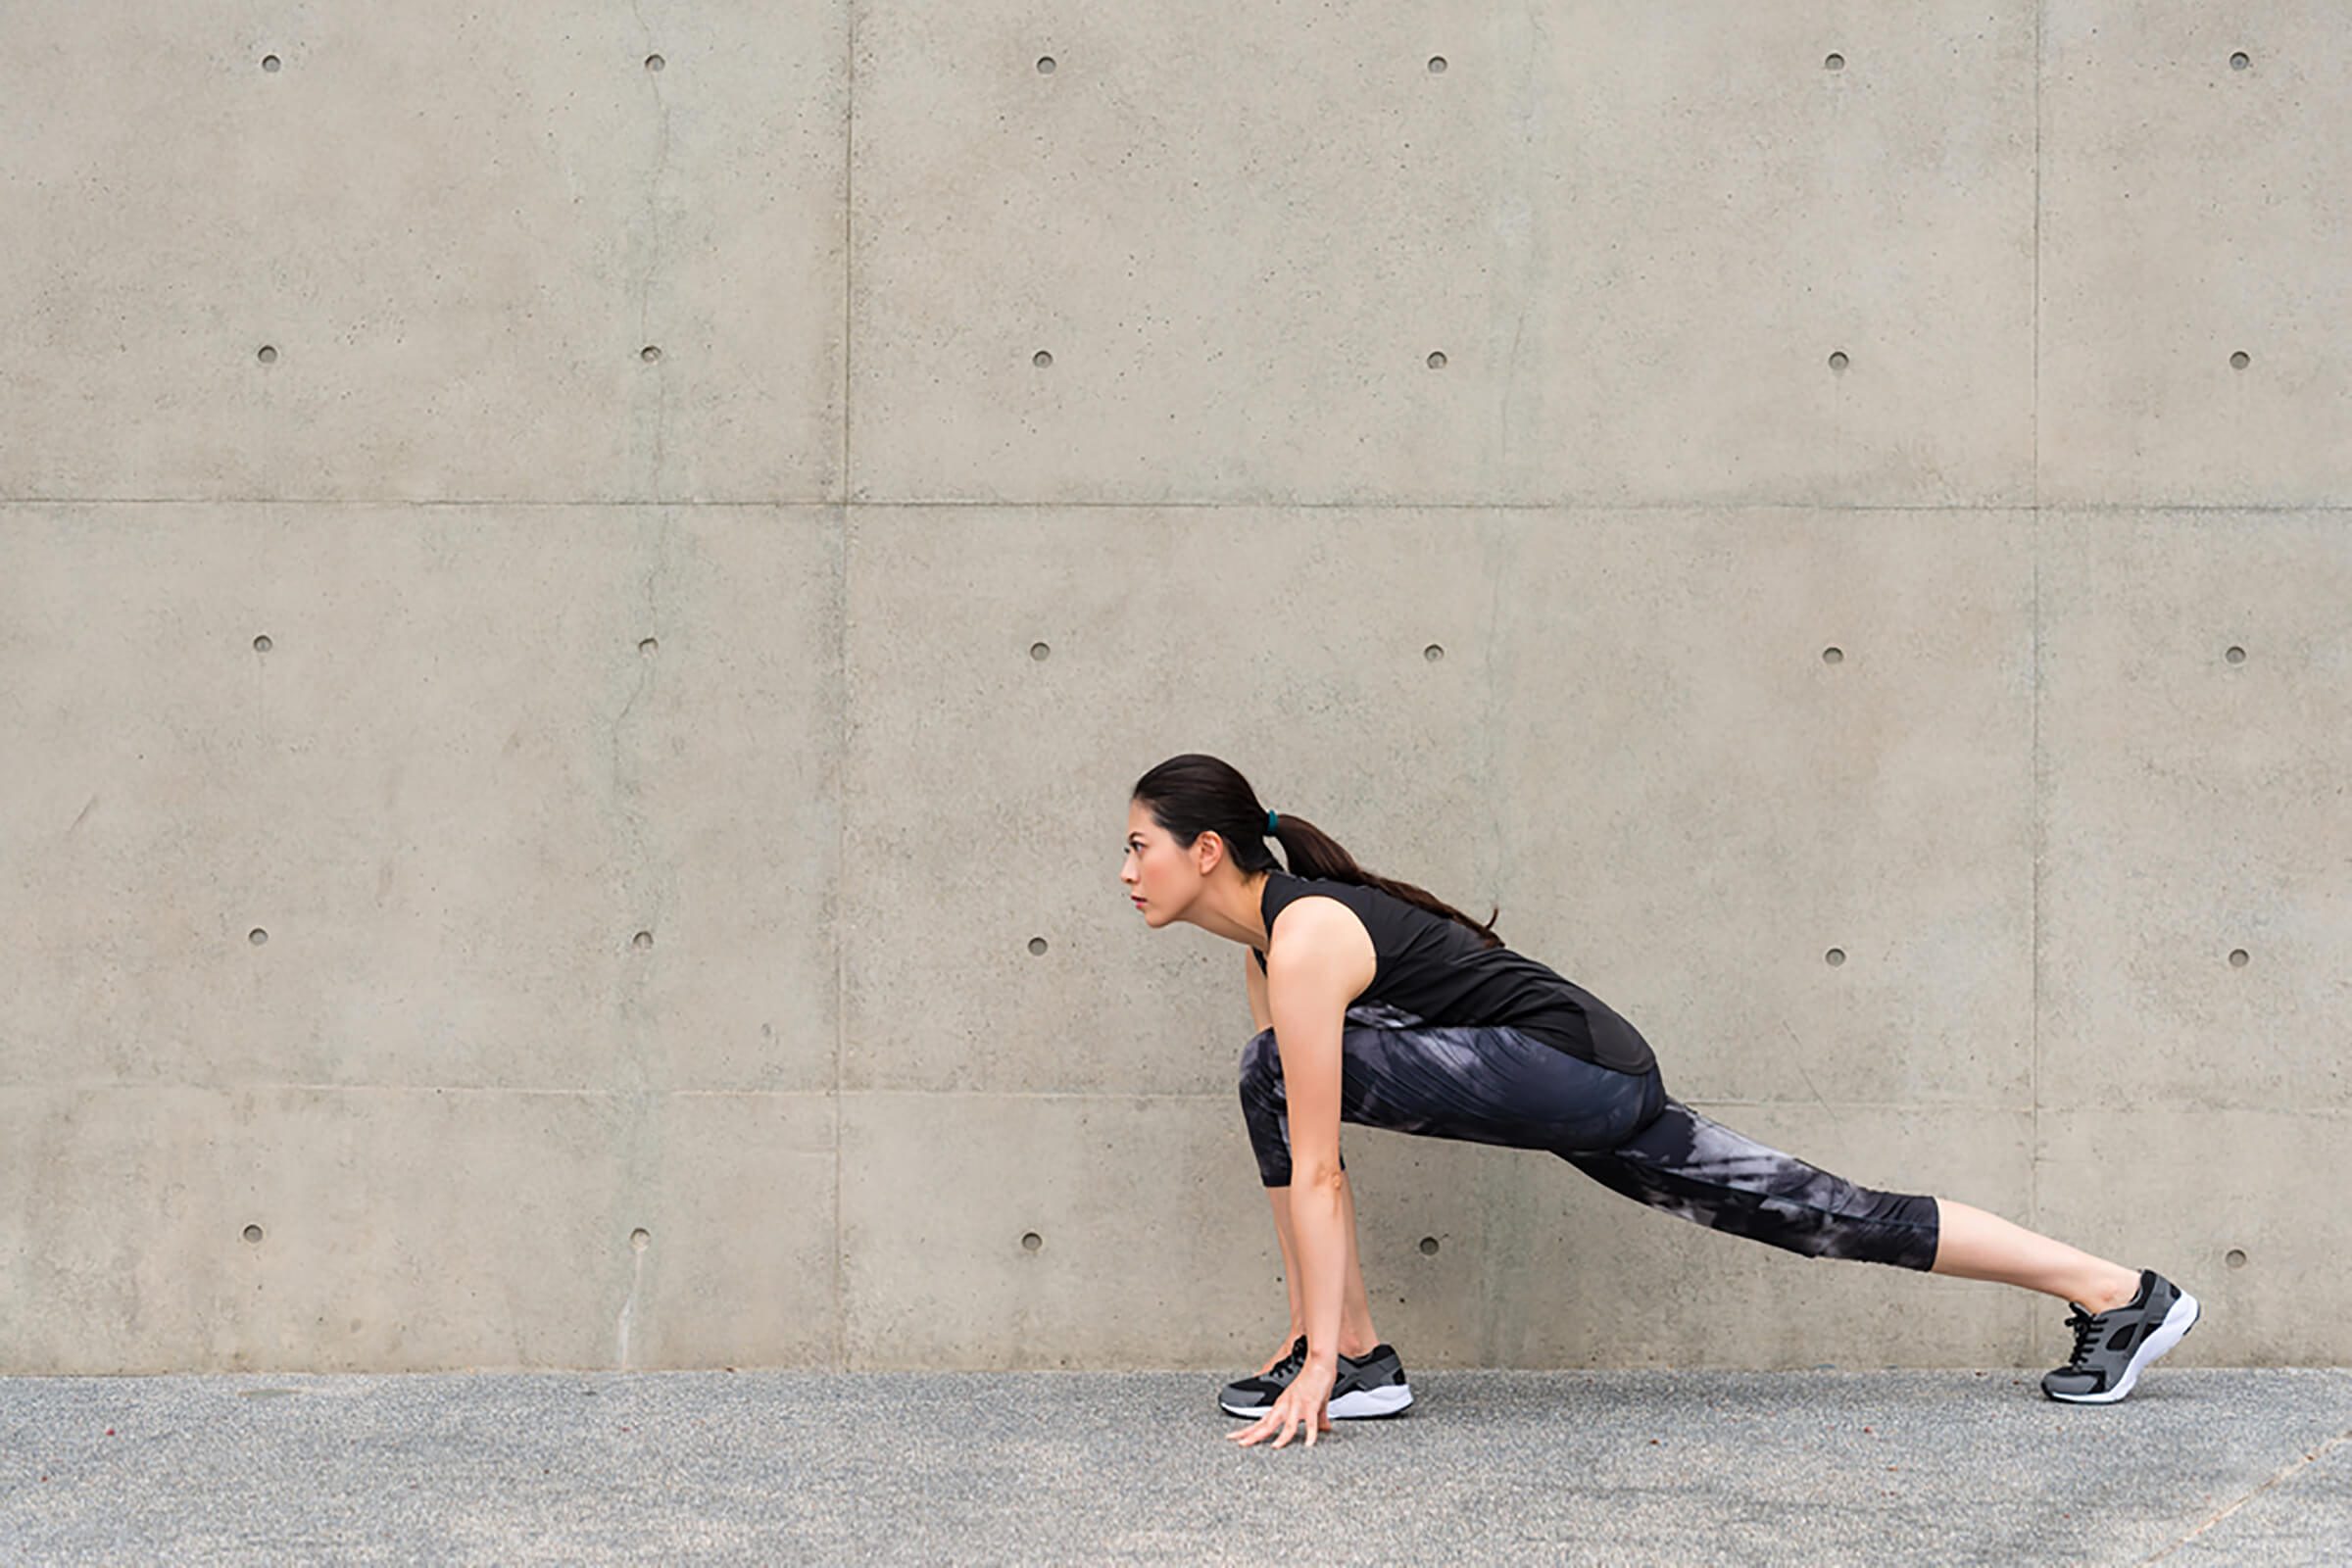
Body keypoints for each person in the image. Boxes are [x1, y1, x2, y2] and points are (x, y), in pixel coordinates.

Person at [1121, 755, 2201, 1451]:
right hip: (1585, 1084)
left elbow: (1316, 1162)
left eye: (1139, 844)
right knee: (1827, 1214)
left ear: (1204, 849)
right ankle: (2119, 1292)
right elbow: (1310, 1158)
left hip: (1573, 1071)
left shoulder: (1306, 937)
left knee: (1271, 1076)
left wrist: (1309, 1361)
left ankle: (1348, 1361)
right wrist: (1314, 1332)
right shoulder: (1272, 951)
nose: (1127, 869)